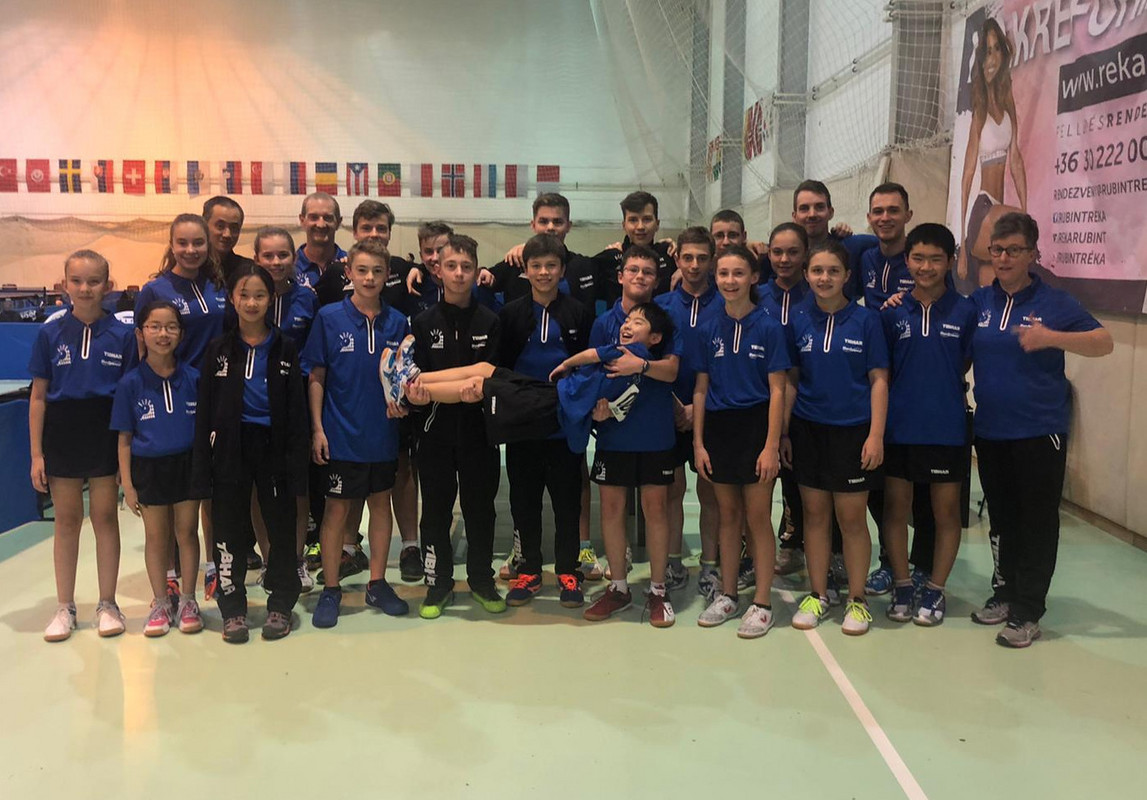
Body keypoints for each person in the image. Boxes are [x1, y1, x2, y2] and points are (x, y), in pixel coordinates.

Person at [968, 212, 1111, 647]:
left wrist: (1051, 338)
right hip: (990, 431)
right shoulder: (979, 302)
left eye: (1014, 250)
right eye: (998, 250)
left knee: (1036, 522)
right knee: (1002, 519)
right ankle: (1005, 594)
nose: (1004, 258)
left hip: (1039, 431)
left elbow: (1103, 342)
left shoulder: (1056, 302)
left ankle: (1029, 610)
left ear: (1032, 253)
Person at [192, 265, 308, 642]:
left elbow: (297, 410)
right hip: (230, 447)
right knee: (228, 528)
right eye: (244, 294)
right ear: (232, 299)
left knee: (280, 525)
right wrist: (203, 463)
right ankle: (233, 608)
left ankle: (281, 603)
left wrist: (297, 462)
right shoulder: (218, 350)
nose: (252, 302)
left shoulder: (285, 347)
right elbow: (205, 410)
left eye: (260, 295)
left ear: (270, 300)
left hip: (274, 448)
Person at [302, 239, 411, 629]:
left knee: (381, 506)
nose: (369, 278)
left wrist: (403, 401)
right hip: (340, 435)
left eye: (377, 271)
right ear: (348, 272)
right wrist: (317, 428)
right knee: (337, 510)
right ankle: (331, 589)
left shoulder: (398, 322)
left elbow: (403, 377)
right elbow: (316, 376)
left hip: (382, 434)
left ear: (387, 275)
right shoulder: (329, 317)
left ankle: (377, 583)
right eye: (362, 270)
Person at [30, 250, 136, 641]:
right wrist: (36, 454)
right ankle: (65, 607)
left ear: (109, 286)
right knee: (67, 520)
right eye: (77, 281)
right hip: (63, 432)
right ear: (64, 285)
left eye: (94, 281)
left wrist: (127, 453)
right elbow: (38, 397)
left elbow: (129, 395)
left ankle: (108, 603)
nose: (85, 288)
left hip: (105, 429)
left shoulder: (124, 336)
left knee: (105, 517)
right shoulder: (50, 333)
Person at [785, 241, 889, 636]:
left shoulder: (866, 321)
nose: (824, 278)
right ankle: (818, 593)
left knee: (851, 518)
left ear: (847, 276)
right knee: (814, 516)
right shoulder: (798, 319)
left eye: (833, 271)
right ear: (806, 275)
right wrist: (784, 432)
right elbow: (791, 380)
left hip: (854, 431)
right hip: (809, 430)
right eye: (817, 271)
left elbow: (879, 380)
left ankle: (857, 599)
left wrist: (875, 434)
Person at [879, 224, 977, 626]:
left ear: (950, 262)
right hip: (899, 427)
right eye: (918, 258)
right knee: (895, 509)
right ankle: (903, 584)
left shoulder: (966, 311)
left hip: (946, 428)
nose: (926, 267)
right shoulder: (892, 312)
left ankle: (936, 589)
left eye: (935, 259)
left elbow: (965, 362)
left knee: (945, 512)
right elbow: (883, 370)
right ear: (907, 261)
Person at [492, 233, 594, 608]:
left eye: (551, 265)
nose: (544, 272)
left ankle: (568, 571)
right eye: (536, 266)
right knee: (524, 499)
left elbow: (588, 365)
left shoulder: (579, 312)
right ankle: (529, 570)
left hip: (564, 420)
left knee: (567, 500)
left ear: (562, 269)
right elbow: (500, 367)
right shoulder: (511, 314)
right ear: (526, 270)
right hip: (523, 422)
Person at [406, 234, 504, 619]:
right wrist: (424, 394)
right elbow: (413, 382)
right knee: (435, 512)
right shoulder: (422, 323)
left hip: (481, 434)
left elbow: (486, 381)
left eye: (466, 266)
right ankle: (438, 583)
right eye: (451, 266)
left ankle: (481, 579)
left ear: (477, 271)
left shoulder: (490, 322)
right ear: (438, 271)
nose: (459, 273)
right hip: (434, 436)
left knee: (480, 510)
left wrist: (429, 387)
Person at [692, 245, 789, 638]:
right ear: (715, 278)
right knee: (727, 515)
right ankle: (729, 594)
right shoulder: (707, 328)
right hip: (719, 428)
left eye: (738, 273)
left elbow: (778, 390)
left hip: (755, 427)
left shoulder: (769, 326)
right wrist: (699, 443)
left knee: (757, 517)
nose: (730, 281)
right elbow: (700, 389)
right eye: (723, 274)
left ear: (753, 277)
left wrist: (771, 445)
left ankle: (762, 602)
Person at [134, 214, 227, 598]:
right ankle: (171, 573)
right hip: (174, 398)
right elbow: (143, 347)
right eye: (183, 243)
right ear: (171, 245)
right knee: (174, 490)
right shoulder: (154, 289)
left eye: (198, 243)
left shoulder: (217, 285)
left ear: (208, 245)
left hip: (216, 394)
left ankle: (213, 566)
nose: (191, 250)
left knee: (208, 489)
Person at [859, 183, 938, 597]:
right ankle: (892, 562)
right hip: (876, 383)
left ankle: (923, 564)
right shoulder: (863, 255)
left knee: (922, 488)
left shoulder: (924, 260)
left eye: (893, 210)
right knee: (882, 484)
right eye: (878, 211)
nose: (885, 217)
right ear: (868, 217)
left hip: (917, 389)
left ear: (908, 214)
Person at [112, 301, 203, 636]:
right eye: (154, 326)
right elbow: (124, 438)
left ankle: (189, 600)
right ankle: (161, 602)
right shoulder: (130, 383)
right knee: (156, 537)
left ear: (181, 334)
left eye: (171, 327)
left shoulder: (194, 378)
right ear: (141, 333)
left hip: (187, 465)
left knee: (187, 532)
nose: (163, 334)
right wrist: (128, 485)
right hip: (148, 469)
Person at [349, 201, 422, 582]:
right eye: (367, 227)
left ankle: (410, 545)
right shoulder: (338, 277)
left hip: (395, 398)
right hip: (350, 397)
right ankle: (349, 548)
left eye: (381, 228)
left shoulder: (408, 274)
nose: (375, 234)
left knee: (402, 469)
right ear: (355, 231)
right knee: (351, 473)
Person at [655, 227, 724, 595]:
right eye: (688, 257)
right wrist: (672, 404)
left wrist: (700, 409)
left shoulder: (727, 303)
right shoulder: (661, 306)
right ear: (677, 259)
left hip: (711, 413)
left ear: (712, 260)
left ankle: (710, 566)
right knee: (672, 491)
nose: (694, 265)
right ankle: (673, 560)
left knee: (710, 492)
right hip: (667, 411)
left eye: (702, 258)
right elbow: (651, 360)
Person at [251, 227, 318, 593]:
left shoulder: (307, 297)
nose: (276, 262)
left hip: (296, 401)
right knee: (258, 485)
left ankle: (295, 560)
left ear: (295, 257)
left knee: (296, 485)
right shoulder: (246, 295)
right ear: (257, 258)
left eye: (283, 255)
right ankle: (268, 561)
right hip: (253, 403)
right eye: (268, 255)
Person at [957, 16, 1028, 291]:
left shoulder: (1007, 102)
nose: (992, 57)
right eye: (987, 51)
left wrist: (1025, 210)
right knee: (1019, 230)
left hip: (999, 206)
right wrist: (963, 247)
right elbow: (967, 175)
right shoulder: (979, 110)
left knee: (992, 294)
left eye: (997, 49)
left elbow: (1016, 161)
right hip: (983, 211)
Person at [759, 223, 813, 577]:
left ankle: (798, 545)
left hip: (805, 405)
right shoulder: (756, 294)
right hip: (759, 405)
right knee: (759, 484)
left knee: (801, 483)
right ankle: (757, 551)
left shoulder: (819, 292)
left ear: (805, 253)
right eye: (777, 251)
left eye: (793, 252)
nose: (784, 259)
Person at [791, 179, 878, 300]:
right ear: (794, 216)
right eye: (804, 208)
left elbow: (892, 244)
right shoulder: (785, 257)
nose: (812, 214)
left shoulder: (852, 247)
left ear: (831, 212)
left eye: (819, 207)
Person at [591, 191, 676, 302]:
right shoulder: (608, 260)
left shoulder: (670, 256)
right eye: (633, 220)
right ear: (624, 225)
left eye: (647, 219)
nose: (640, 226)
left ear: (657, 224)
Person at [295, 192, 348, 301]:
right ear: (302, 220)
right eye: (314, 217)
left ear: (338, 222)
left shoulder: (351, 265)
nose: (321, 224)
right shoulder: (290, 267)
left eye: (328, 218)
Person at [202, 195, 255, 285]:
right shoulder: (192, 267)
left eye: (234, 228)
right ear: (204, 225)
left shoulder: (249, 270)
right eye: (220, 226)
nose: (227, 234)